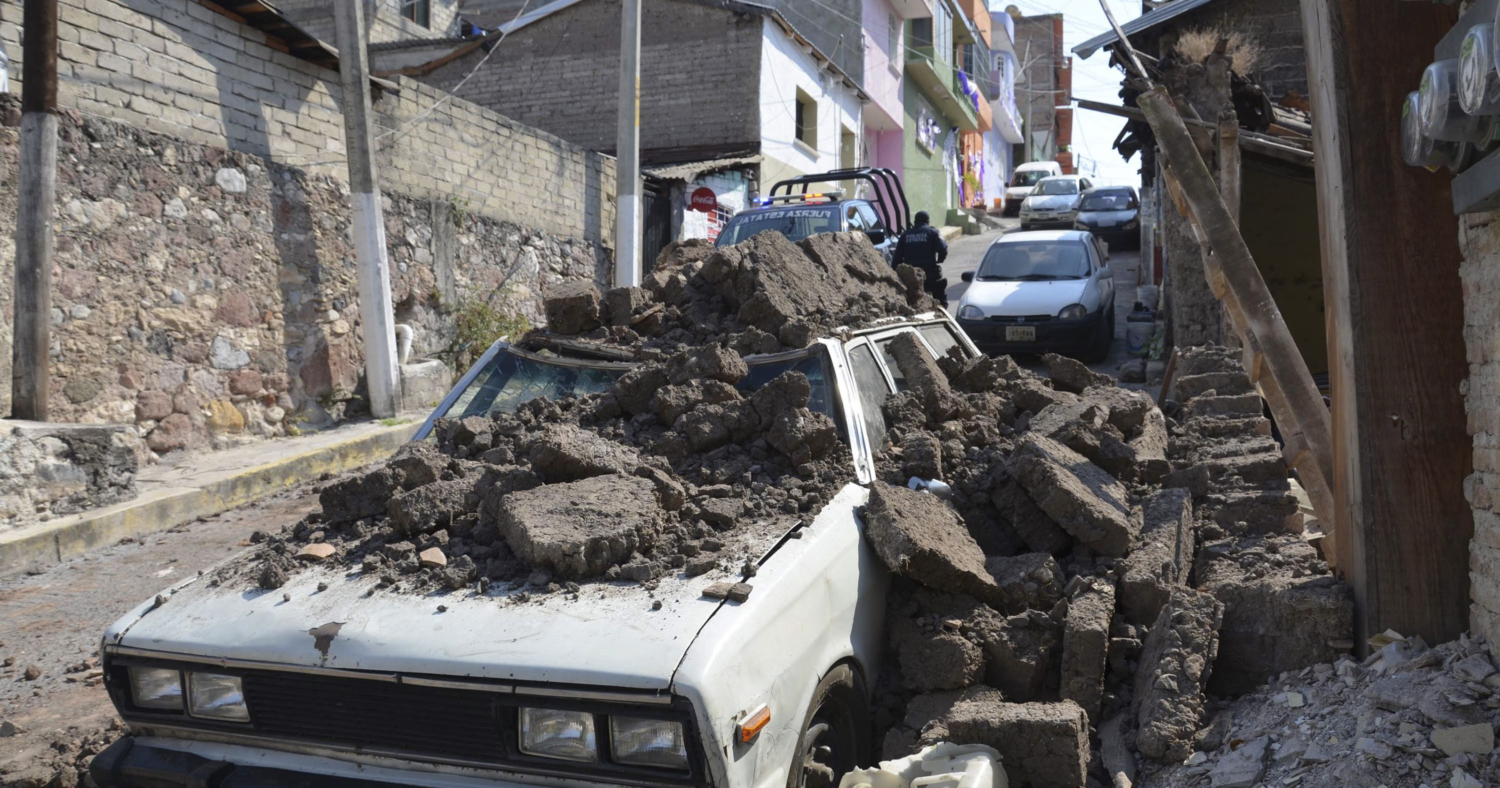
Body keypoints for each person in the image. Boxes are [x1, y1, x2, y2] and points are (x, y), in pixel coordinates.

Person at [893, 211, 950, 306]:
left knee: (912, 302)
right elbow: (943, 249)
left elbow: (896, 259)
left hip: (911, 277)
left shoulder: (905, 235)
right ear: (928, 222)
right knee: (939, 302)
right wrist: (940, 260)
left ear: (915, 222)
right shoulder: (933, 232)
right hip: (929, 274)